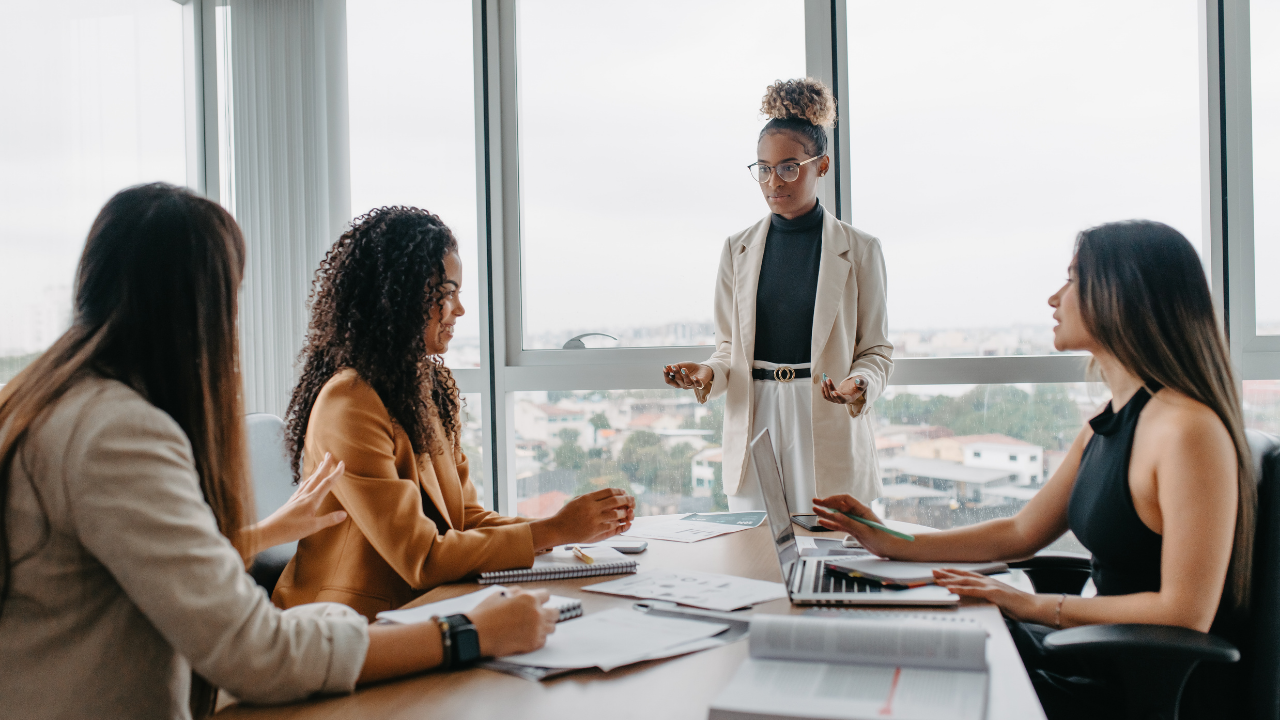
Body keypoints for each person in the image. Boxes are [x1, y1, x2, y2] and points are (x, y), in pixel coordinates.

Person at [0, 185, 561, 719]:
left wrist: (262, 534)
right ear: (198, 305)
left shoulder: (47, 400)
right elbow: (255, 654)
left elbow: (133, 559)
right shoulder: (118, 435)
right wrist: (468, 632)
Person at [812, 220, 1255, 719]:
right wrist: (891, 540)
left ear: (1123, 294)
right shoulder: (1112, 421)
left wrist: (1031, 605)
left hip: (1119, 686)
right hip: (1085, 655)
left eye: (1072, 279)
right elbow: (1021, 532)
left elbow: (1185, 613)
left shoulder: (1187, 431)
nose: (1054, 298)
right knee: (891, 648)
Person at [273, 206, 635, 621]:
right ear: (399, 297)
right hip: (345, 624)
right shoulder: (350, 401)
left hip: (420, 606)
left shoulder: (427, 387)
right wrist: (555, 530)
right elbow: (421, 557)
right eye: (447, 294)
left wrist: (556, 526)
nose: (459, 310)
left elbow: (463, 517)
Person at [663, 77, 892, 513]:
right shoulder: (737, 248)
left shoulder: (861, 249)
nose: (774, 181)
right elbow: (730, 347)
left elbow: (876, 349)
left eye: (789, 167)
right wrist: (707, 373)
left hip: (824, 414)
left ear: (821, 166)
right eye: (763, 169)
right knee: (755, 551)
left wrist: (859, 384)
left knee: (830, 548)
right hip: (754, 416)